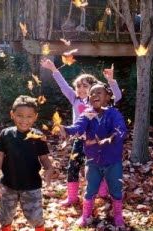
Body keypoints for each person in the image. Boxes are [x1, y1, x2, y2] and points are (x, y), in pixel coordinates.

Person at [40, 59, 122, 205]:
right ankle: (72, 197)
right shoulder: (74, 99)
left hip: (96, 142)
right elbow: (64, 86)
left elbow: (117, 96)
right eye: (78, 86)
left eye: (85, 86)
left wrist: (111, 80)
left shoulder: (98, 101)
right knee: (73, 167)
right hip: (79, 140)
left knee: (98, 168)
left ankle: (102, 194)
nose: (81, 89)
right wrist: (53, 69)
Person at [59, 82, 127, 227]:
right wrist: (67, 129)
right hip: (93, 160)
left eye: (98, 93)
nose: (94, 95)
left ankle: (118, 215)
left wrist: (111, 138)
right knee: (90, 188)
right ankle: (85, 215)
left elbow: (121, 129)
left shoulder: (113, 113)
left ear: (107, 97)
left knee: (115, 189)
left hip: (113, 161)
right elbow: (78, 126)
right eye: (92, 94)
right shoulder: (88, 113)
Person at [0, 95, 53, 231]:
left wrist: (49, 169)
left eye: (29, 116)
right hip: (9, 185)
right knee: (5, 214)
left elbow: (44, 158)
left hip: (32, 185)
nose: (24, 120)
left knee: (35, 216)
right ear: (12, 114)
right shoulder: (6, 134)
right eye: (19, 115)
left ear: (35, 117)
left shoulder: (38, 136)